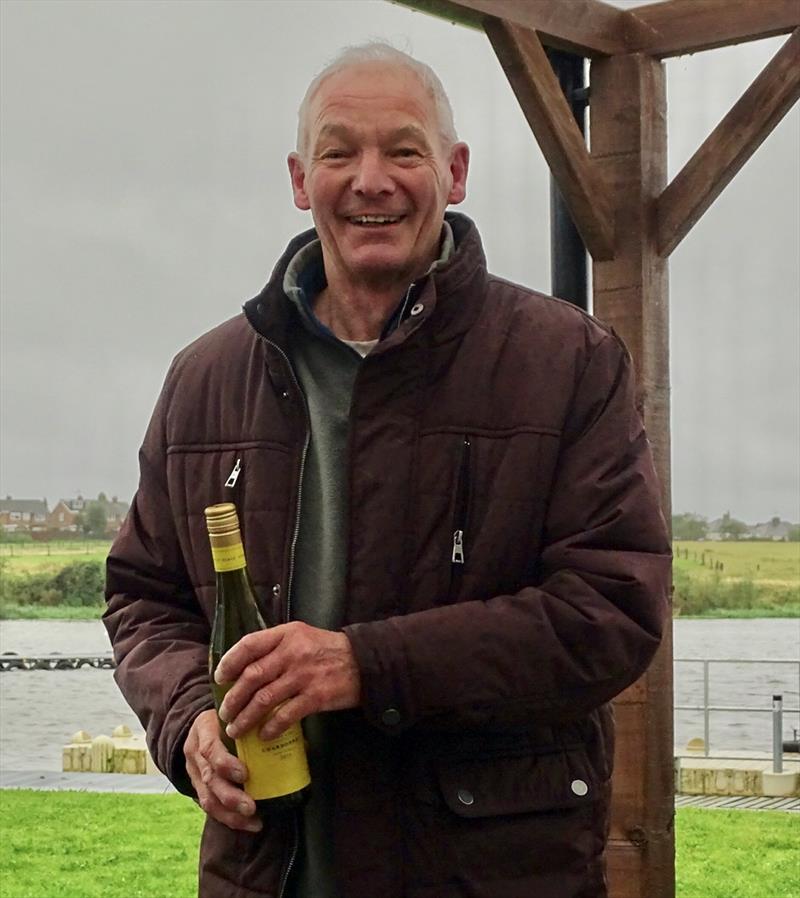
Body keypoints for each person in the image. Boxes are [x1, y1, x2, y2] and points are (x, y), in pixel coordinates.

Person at [104, 42, 671, 898]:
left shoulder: (568, 362)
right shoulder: (206, 379)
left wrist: (367, 664)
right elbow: (144, 595)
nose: (371, 179)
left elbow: (609, 611)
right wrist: (188, 721)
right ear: (301, 180)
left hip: (490, 874)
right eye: (340, 152)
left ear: (456, 171)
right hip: (267, 873)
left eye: (403, 150)